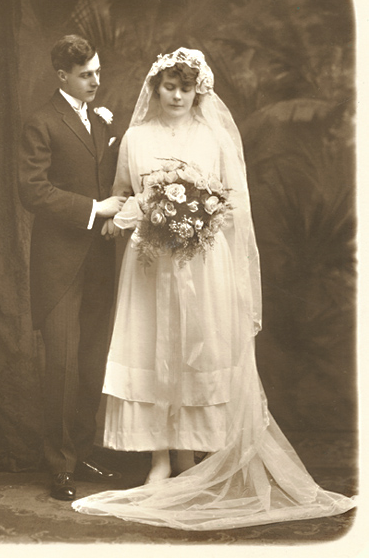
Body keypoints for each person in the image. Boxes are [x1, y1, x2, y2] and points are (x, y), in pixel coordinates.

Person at [71, 48, 356, 529]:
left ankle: (188, 457)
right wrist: (126, 217)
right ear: (156, 88)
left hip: (203, 264)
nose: (177, 96)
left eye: (186, 88)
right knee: (152, 348)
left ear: (198, 90)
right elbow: (125, 191)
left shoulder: (215, 138)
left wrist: (200, 219)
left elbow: (235, 204)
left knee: (192, 352)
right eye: (169, 86)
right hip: (149, 264)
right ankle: (159, 460)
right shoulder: (136, 138)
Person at [18, 34, 126, 501]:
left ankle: (81, 452)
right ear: (62, 76)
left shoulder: (101, 120)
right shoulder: (41, 122)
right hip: (59, 264)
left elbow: (111, 180)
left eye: (97, 72)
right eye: (86, 75)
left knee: (90, 364)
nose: (95, 82)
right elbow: (33, 191)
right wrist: (96, 209)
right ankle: (59, 466)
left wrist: (113, 217)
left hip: (100, 260)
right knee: (61, 367)